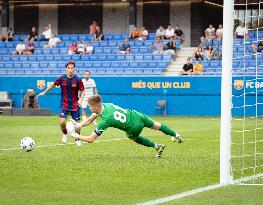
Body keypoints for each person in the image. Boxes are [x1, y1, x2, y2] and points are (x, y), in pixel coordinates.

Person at [66, 95, 183, 158]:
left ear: (96, 106)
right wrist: (79, 124)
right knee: (157, 125)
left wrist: (75, 135)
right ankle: (176, 135)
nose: (89, 108)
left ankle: (156, 146)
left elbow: (91, 139)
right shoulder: (107, 105)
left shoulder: (105, 120)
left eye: (90, 107)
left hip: (133, 127)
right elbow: (90, 120)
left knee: (132, 137)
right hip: (137, 115)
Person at [38, 61, 85, 146]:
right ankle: (65, 133)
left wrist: (81, 99)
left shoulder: (78, 79)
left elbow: (83, 90)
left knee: (77, 125)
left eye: (72, 68)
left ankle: (77, 139)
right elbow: (53, 85)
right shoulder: (61, 78)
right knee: (62, 122)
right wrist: (44, 92)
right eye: (68, 68)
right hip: (64, 104)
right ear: (66, 69)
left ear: (74, 69)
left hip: (75, 105)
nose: (70, 70)